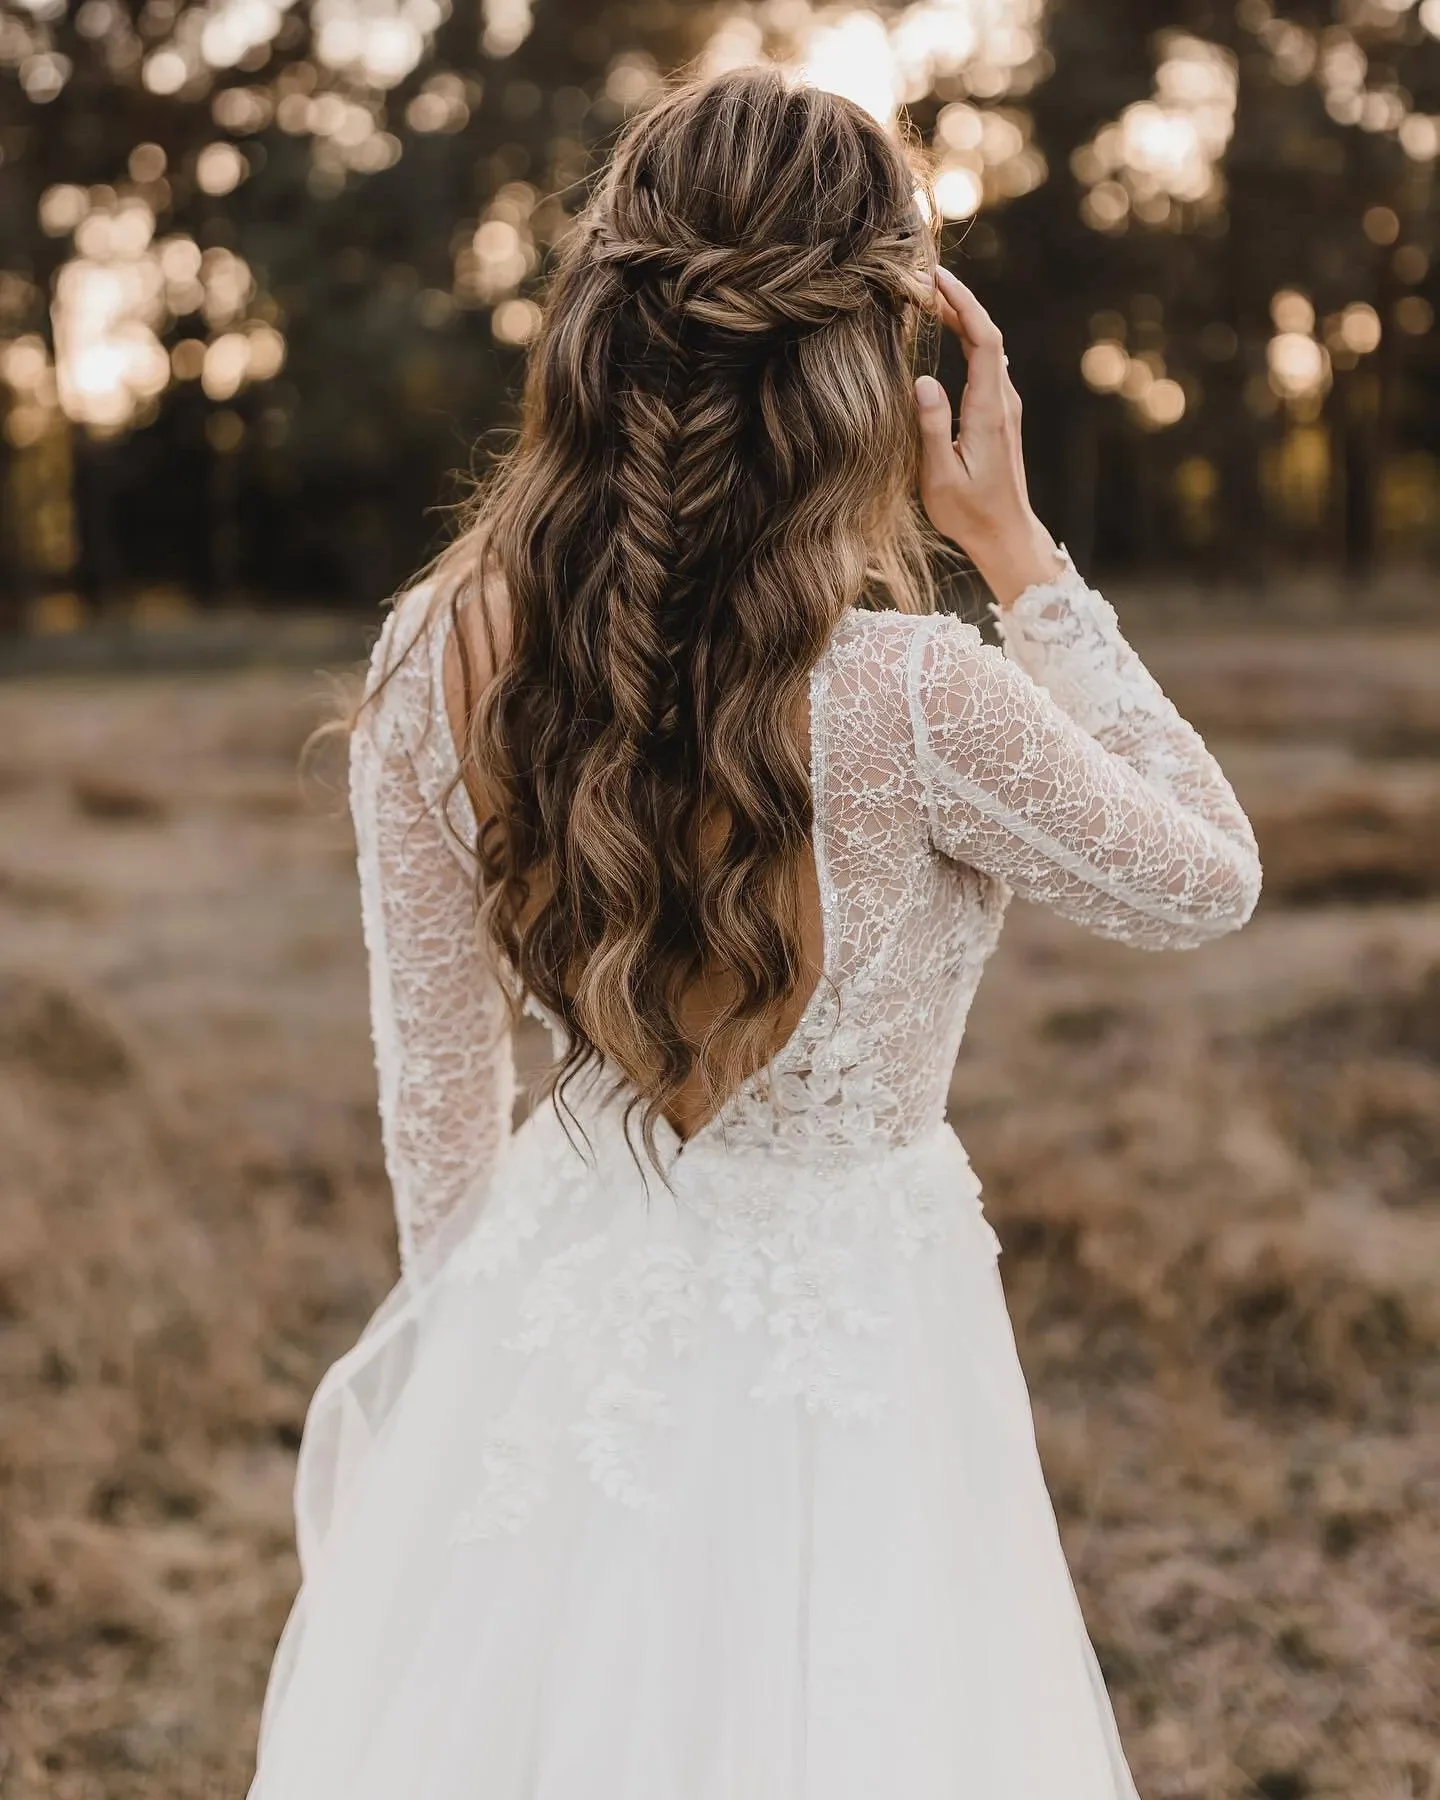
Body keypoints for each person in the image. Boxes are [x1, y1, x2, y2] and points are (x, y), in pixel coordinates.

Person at [248, 66, 1260, 1800]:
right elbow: (1208, 875)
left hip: (554, 1325)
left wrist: (467, 1379)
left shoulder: (435, 653)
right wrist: (1020, 556)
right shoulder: (924, 698)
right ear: (890, 356)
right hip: (858, 1351)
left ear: (605, 321)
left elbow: (438, 1096)